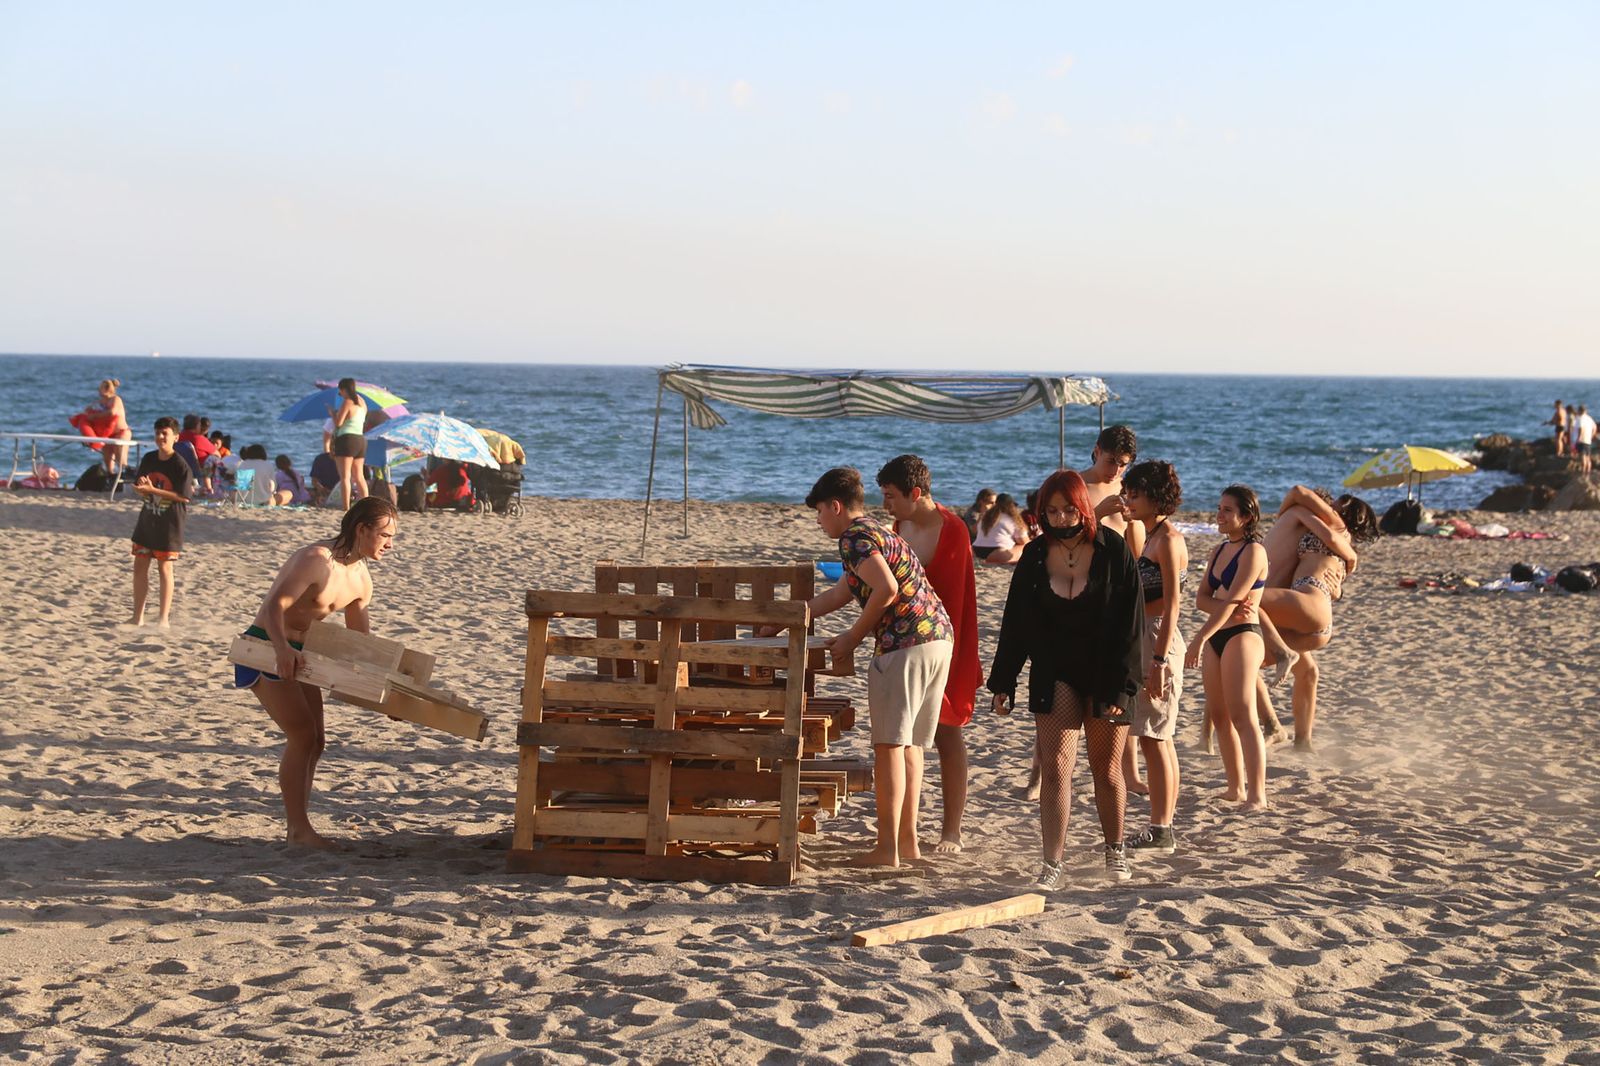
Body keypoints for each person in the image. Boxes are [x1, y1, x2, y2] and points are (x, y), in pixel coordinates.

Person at [785, 467, 953, 868]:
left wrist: (853, 637)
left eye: (819, 512)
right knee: (910, 746)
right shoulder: (879, 532)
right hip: (938, 638)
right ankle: (907, 844)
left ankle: (886, 849)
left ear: (836, 506)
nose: (818, 520)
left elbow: (887, 589)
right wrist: (788, 618)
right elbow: (841, 593)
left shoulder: (853, 538)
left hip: (904, 644)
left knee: (889, 746)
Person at [989, 468, 1143, 887]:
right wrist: (1003, 682)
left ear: (1083, 508)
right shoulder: (1035, 555)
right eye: (1051, 511)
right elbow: (1015, 622)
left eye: (1068, 510)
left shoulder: (1113, 549)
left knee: (1106, 769)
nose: (1060, 518)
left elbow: (1132, 625)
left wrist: (1124, 687)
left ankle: (1115, 851)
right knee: (1056, 767)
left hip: (1106, 671)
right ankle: (1052, 864)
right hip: (1054, 669)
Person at [235, 497, 399, 847]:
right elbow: (274, 606)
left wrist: (391, 697)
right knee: (302, 736)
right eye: (385, 535)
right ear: (362, 529)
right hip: (266, 645)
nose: (389, 544)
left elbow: (360, 646)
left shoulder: (361, 579)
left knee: (317, 740)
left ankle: (298, 828)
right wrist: (282, 649)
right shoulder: (315, 560)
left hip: (303, 654)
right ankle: (298, 830)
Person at [877, 454, 982, 855]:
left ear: (915, 493)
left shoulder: (952, 530)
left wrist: (959, 660)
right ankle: (906, 833)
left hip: (943, 642)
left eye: (891, 496)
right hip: (903, 643)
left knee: (947, 732)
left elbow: (959, 600)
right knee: (905, 737)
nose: (886, 504)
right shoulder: (898, 528)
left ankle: (951, 830)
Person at [1251, 487, 1377, 752]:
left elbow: (1297, 491)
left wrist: (1293, 511)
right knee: (1307, 672)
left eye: (1335, 503)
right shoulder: (1327, 535)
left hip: (1309, 603)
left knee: (1245, 604)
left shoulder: (1334, 525)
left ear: (1344, 510)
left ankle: (1272, 724)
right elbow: (1328, 576)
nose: (1329, 505)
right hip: (1315, 614)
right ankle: (1303, 743)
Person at [1186, 485, 1270, 811]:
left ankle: (1257, 794)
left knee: (1243, 715)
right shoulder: (1219, 550)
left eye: (1227, 510)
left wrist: (1200, 637)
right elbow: (1201, 599)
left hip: (1243, 636)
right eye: (1219, 508)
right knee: (1220, 716)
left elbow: (1232, 600)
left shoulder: (1254, 551)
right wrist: (1226, 608)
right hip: (1219, 635)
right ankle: (1235, 788)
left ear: (1246, 517)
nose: (1219, 515)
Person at [1121, 461, 1188, 855]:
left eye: (1135, 494)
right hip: (1148, 635)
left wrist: (1159, 661)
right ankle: (1163, 826)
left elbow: (1174, 604)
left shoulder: (1169, 540)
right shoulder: (1151, 536)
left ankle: (1161, 829)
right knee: (1158, 737)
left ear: (1155, 496)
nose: (1128, 499)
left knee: (1153, 737)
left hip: (1158, 637)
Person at [1077, 425, 1148, 794]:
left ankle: (1130, 773)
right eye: (1110, 461)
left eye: (1123, 464)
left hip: (1116, 599)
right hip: (1078, 594)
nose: (1115, 470)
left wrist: (1132, 521)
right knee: (1066, 697)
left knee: (1122, 693)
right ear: (1096, 451)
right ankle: (1038, 776)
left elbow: (1136, 553)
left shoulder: (1126, 491)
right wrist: (1096, 514)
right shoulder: (1075, 485)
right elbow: (1056, 538)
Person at [129, 417, 195, 627]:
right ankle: (137, 616)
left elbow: (184, 496)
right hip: (147, 521)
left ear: (175, 437)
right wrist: (142, 489)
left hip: (169, 525)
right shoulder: (149, 458)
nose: (160, 437)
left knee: (164, 569)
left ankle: (163, 619)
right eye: (157, 433)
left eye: (164, 433)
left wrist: (153, 490)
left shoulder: (180, 465)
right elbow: (140, 486)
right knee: (140, 566)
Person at [73, 378, 133, 474]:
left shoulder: (116, 399)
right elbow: (87, 411)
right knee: (107, 460)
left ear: (107, 389)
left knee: (120, 459)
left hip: (121, 432)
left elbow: (112, 412)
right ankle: (110, 477)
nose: (98, 390)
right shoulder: (99, 402)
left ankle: (125, 476)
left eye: (100, 388)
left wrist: (96, 416)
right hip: (108, 435)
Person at [328, 378, 369, 509]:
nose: (340, 394)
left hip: (347, 440)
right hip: (360, 440)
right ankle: (367, 506)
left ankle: (346, 507)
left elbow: (338, 423)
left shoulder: (347, 402)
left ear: (344, 389)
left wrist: (332, 414)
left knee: (345, 477)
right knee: (359, 476)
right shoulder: (362, 402)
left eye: (340, 392)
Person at [973, 492, 1030, 564]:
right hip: (999, 553)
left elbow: (976, 531)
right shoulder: (1013, 518)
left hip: (976, 550)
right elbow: (1024, 541)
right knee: (1025, 546)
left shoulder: (985, 516)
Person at [1576, 404, 1597, 476]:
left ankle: (1583, 472)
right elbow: (1595, 427)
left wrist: (1578, 438)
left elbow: (1581, 429)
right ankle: (1588, 472)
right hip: (1588, 440)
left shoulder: (1580, 418)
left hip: (1582, 440)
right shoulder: (1589, 418)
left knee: (1583, 456)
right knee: (1588, 457)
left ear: (1579, 411)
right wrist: (1591, 436)